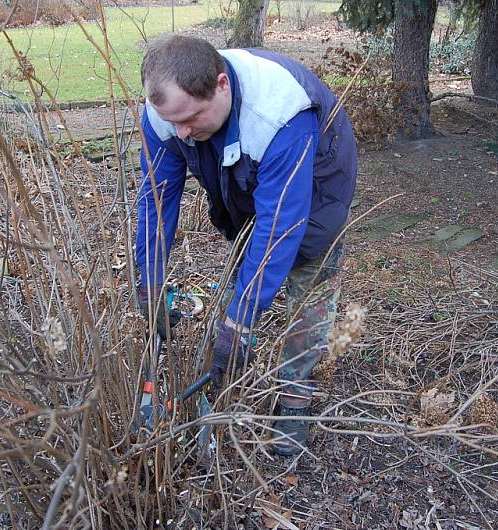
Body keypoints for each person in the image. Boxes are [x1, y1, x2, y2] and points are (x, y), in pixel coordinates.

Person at [135, 35, 357, 456]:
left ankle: (293, 405)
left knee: (307, 290)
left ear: (222, 85)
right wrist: (148, 283)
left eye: (191, 119)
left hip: (317, 191)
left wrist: (241, 321)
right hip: (245, 180)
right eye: (173, 121)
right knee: (241, 278)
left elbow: (280, 228)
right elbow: (156, 199)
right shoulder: (170, 113)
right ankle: (221, 388)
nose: (181, 133)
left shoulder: (279, 115)